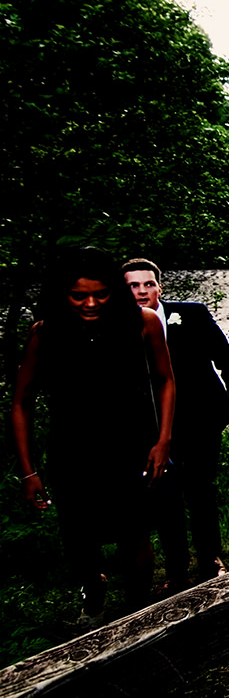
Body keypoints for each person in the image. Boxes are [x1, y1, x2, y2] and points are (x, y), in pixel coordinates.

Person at [11, 248, 175, 628]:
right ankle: (94, 590)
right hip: (72, 451)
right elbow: (21, 401)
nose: (90, 303)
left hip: (130, 447)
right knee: (79, 539)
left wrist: (163, 439)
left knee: (134, 533)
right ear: (62, 294)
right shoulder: (45, 333)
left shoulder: (143, 322)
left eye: (100, 294)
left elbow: (166, 380)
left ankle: (138, 613)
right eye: (78, 295)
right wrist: (27, 470)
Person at [122, 258, 229, 590]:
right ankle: (176, 572)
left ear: (159, 287)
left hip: (202, 418)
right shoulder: (117, 329)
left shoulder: (191, 314)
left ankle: (211, 559)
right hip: (153, 426)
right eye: (133, 285)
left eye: (148, 284)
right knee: (165, 497)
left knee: (201, 490)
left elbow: (227, 358)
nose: (141, 291)